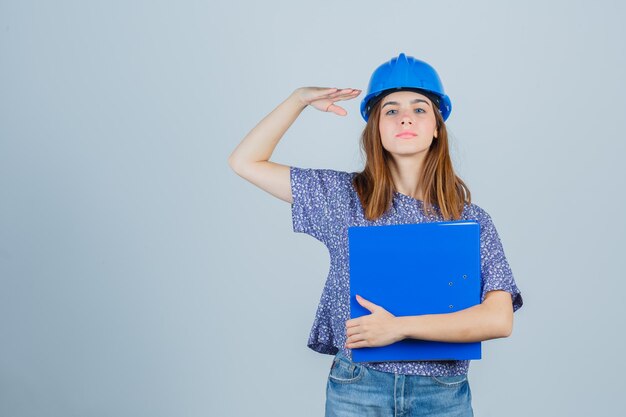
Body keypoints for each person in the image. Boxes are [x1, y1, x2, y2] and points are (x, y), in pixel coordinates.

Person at [228, 53, 523, 417]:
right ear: (376, 129)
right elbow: (245, 162)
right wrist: (298, 100)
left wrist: (397, 328)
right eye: (390, 110)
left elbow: (499, 319)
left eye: (419, 109)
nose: (404, 118)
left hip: (441, 392)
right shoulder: (342, 198)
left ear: (436, 127)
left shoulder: (472, 220)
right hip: (358, 388)